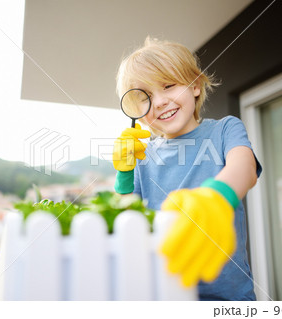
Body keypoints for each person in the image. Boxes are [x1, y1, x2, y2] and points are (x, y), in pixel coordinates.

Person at [112, 37, 262, 301]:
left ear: (195, 85)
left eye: (168, 86)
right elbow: (127, 223)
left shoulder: (224, 129)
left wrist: (215, 196)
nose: (159, 102)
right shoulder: (142, 156)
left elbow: (245, 167)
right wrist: (124, 175)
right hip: (163, 296)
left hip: (228, 299)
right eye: (145, 97)